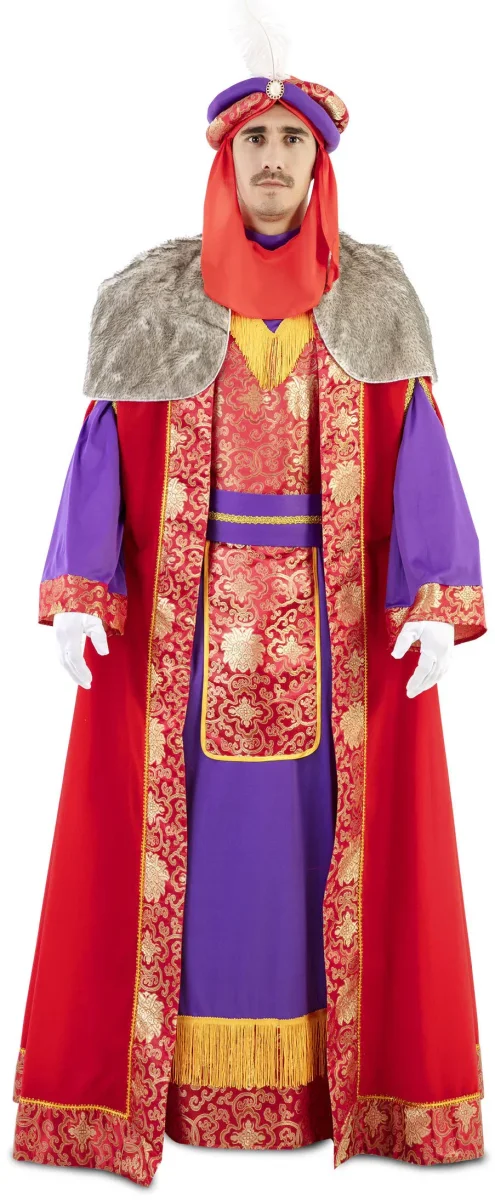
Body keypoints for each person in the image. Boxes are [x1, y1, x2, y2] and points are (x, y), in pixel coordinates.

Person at [12, 57, 486, 1188]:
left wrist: (433, 595)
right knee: (192, 857)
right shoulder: (150, 300)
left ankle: (335, 1086)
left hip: (334, 640)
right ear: (225, 161)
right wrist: (82, 586)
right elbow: (102, 456)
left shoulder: (377, 298)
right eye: (253, 143)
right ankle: (172, 1086)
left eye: (293, 143)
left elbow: (418, 451)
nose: (272, 162)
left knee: (326, 851)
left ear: (320, 163)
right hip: (183, 643)